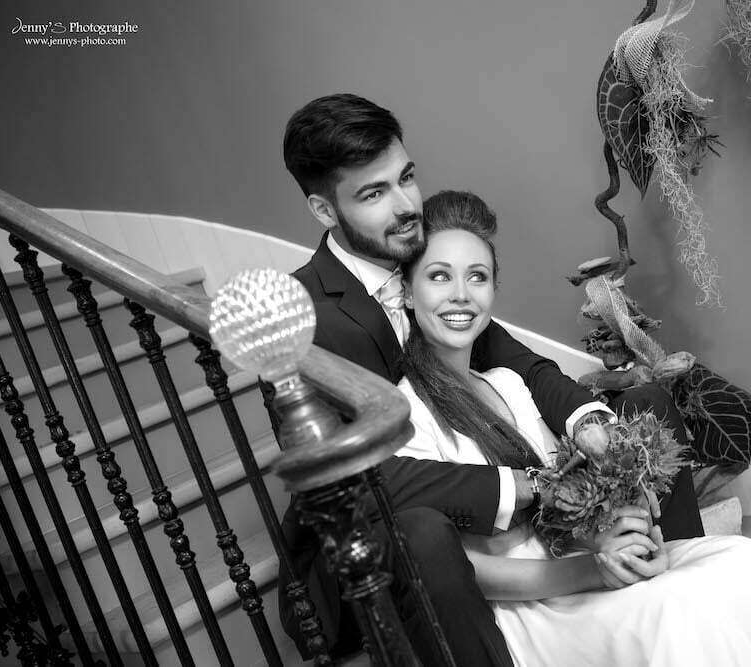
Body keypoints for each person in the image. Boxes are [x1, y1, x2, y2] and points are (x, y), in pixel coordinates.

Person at [277, 93, 703, 665]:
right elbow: (354, 479)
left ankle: (670, 581)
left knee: (643, 405)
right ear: (325, 211)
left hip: (465, 483)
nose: (405, 206)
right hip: (367, 545)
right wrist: (532, 485)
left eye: (406, 178)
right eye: (374, 194)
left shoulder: (419, 253)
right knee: (420, 532)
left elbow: (526, 366)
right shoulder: (301, 317)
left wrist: (591, 427)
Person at [395, 189, 751, 667]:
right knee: (673, 610)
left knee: (744, 560)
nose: (461, 294)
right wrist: (592, 570)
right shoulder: (408, 414)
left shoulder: (508, 383)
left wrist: (624, 540)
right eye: (439, 276)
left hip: (578, 559)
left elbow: (563, 505)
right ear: (406, 292)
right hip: (531, 603)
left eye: (477, 276)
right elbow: (462, 570)